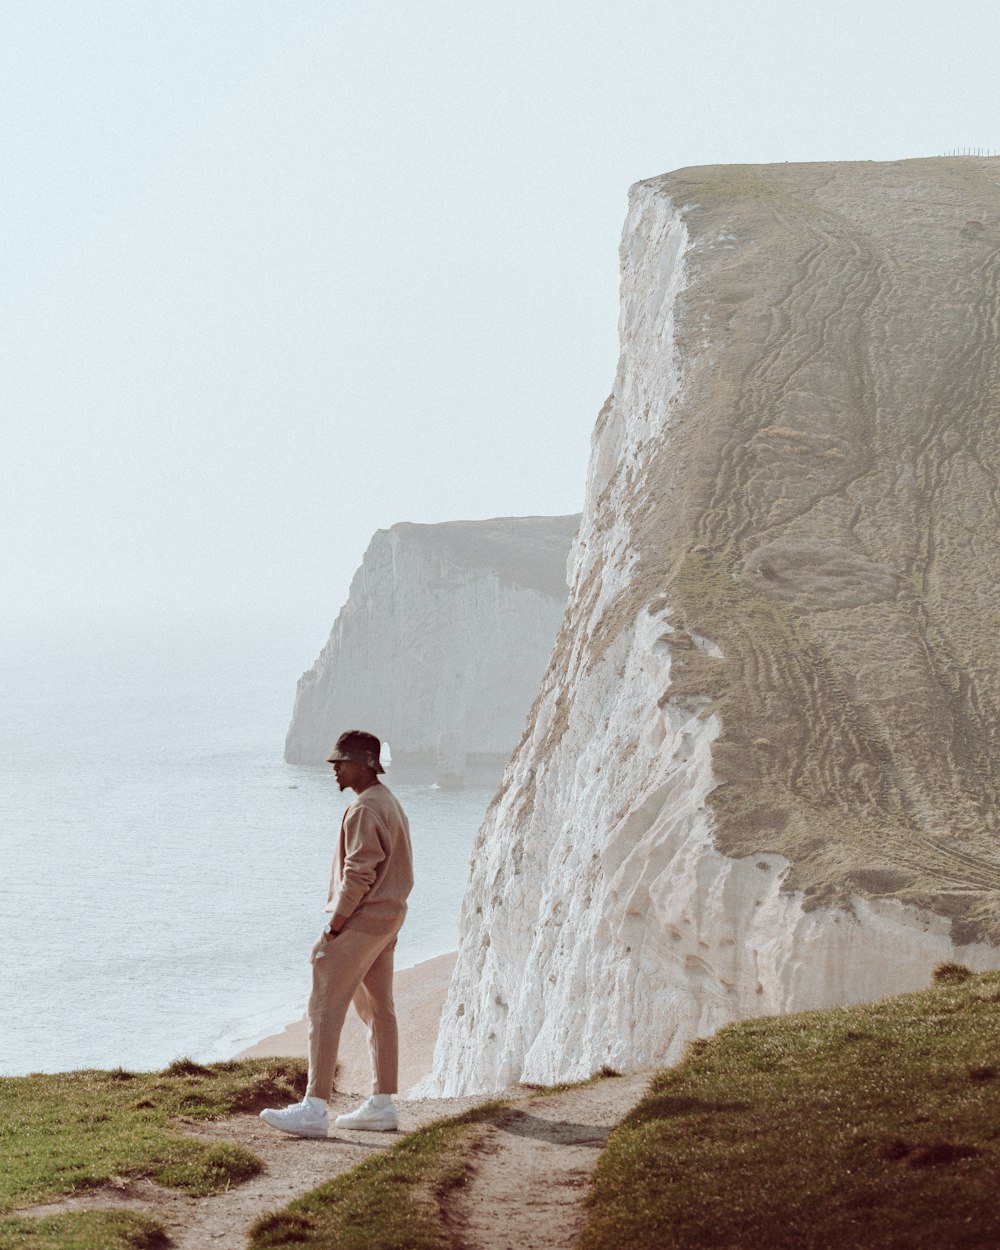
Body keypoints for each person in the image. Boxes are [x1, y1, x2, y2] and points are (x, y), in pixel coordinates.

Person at [259, 729, 414, 1138]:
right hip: (389, 918)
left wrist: (334, 927)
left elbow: (358, 874)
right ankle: (382, 1105)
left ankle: (314, 1107)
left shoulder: (364, 809)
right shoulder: (388, 802)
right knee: (379, 1008)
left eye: (340, 761)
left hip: (363, 920)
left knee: (324, 1003)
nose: (333, 768)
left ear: (364, 763)